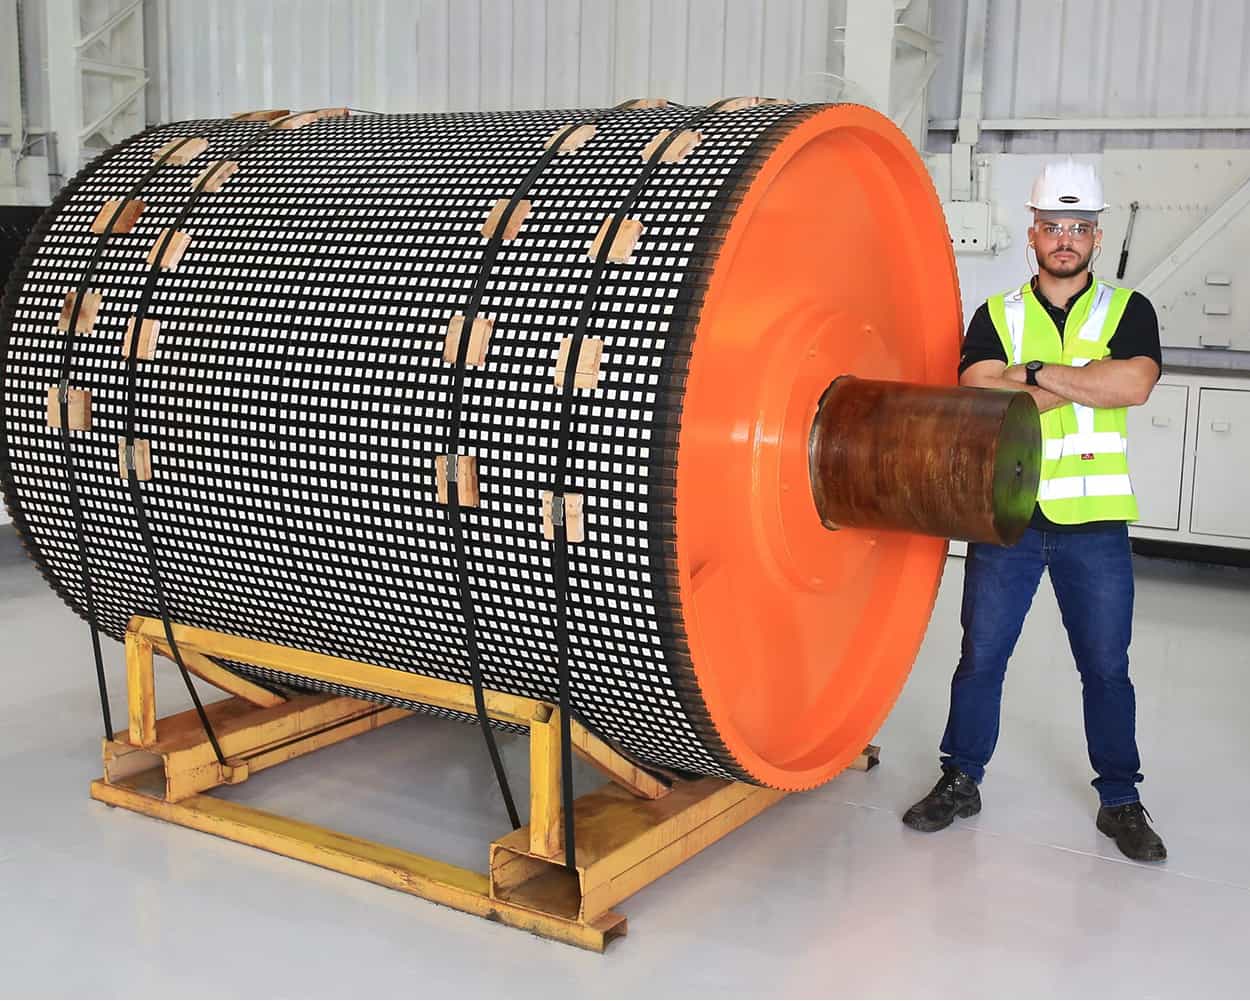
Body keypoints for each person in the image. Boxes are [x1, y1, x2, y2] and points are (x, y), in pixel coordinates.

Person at [902, 158, 1166, 862]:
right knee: (981, 658)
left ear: (1096, 237)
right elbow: (979, 394)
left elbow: (1134, 384)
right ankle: (961, 778)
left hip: (1097, 525)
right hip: (1008, 517)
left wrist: (1033, 376)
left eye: (1079, 226)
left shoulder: (1128, 311)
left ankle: (1121, 799)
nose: (1065, 238)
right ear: (1033, 233)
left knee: (1107, 666)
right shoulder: (997, 315)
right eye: (1053, 225)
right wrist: (1084, 381)